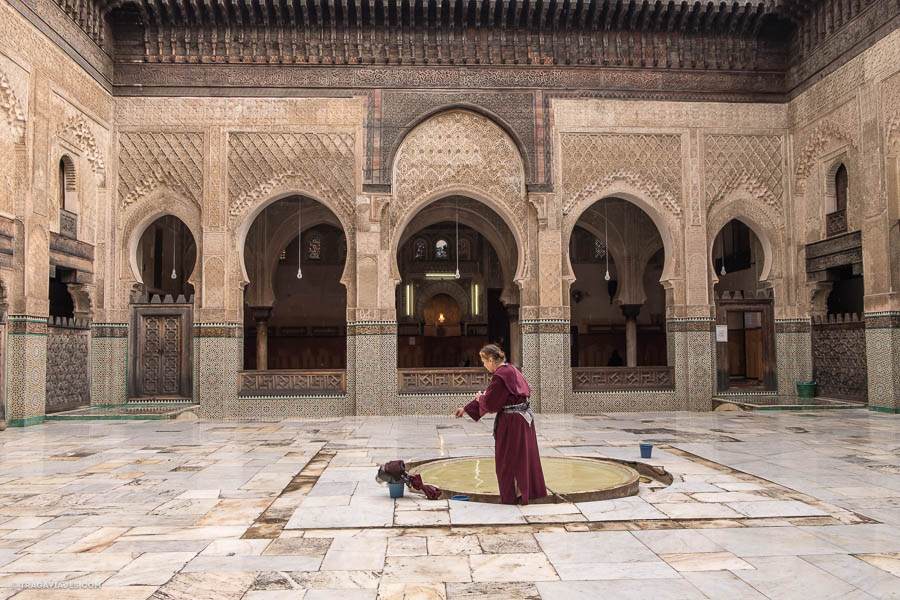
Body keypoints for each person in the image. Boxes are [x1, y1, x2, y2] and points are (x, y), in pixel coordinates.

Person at [453, 344, 547, 505]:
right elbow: (496, 397)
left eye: (484, 361)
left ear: (491, 359)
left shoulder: (500, 375)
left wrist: (480, 399)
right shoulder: (510, 369)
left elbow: (490, 404)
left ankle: (511, 498)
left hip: (512, 424)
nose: (483, 365)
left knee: (507, 461)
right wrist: (466, 409)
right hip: (522, 420)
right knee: (521, 458)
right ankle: (522, 493)